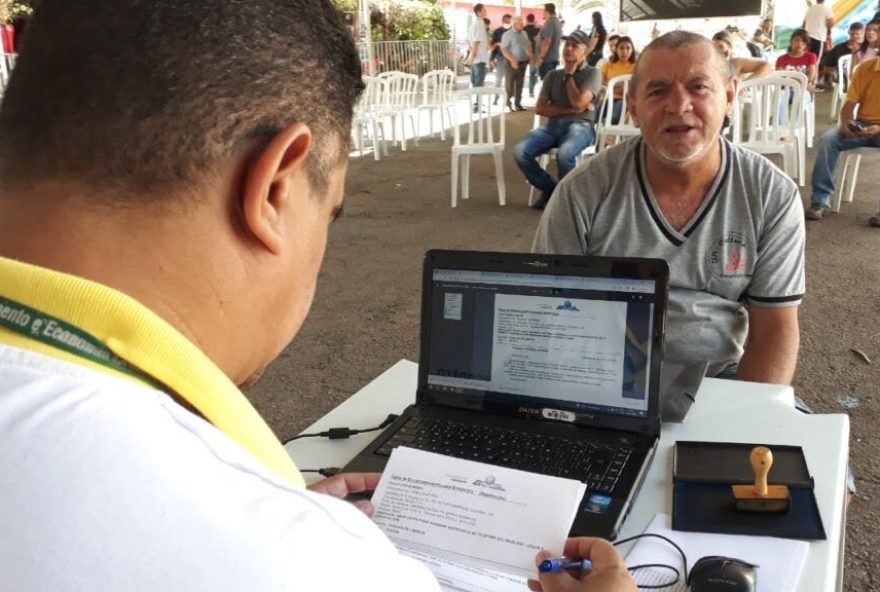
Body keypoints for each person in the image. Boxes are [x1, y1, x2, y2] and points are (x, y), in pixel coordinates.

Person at [0, 2, 640, 592]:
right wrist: (303, 529)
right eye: (328, 214)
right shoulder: (293, 561)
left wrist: (292, 506)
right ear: (275, 188)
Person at [533, 31, 805, 384]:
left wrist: (750, 420)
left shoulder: (771, 194)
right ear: (632, 108)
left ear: (729, 95)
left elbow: (774, 329)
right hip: (605, 379)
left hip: (721, 379)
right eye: (658, 91)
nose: (678, 105)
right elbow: (553, 314)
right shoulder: (581, 192)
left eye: (698, 87)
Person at [513, 29, 601, 211]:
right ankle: (553, 189)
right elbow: (541, 108)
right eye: (566, 44)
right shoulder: (552, 75)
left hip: (581, 126)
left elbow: (578, 103)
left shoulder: (593, 73)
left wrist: (569, 75)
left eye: (574, 45)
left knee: (565, 154)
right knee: (520, 152)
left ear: (584, 51)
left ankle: (568, 202)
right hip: (553, 126)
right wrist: (571, 109)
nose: (568, 48)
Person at [805, 55, 880, 226]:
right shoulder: (865, 69)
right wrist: (847, 123)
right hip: (863, 125)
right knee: (828, 139)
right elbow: (849, 105)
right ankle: (820, 199)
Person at [599, 35, 636, 125]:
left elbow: (629, 88)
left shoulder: (635, 66)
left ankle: (605, 130)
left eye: (628, 48)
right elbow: (601, 82)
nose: (625, 51)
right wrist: (619, 85)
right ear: (617, 49)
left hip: (623, 100)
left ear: (632, 50)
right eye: (621, 48)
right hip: (606, 98)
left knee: (614, 117)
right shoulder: (608, 65)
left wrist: (611, 84)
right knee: (594, 114)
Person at [501, 16, 533, 111]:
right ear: (514, 24)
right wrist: (512, 60)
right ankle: (508, 103)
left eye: (522, 22)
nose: (523, 24)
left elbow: (528, 45)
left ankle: (518, 104)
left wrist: (530, 54)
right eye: (521, 23)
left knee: (520, 84)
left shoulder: (524, 33)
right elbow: (504, 49)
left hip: (523, 62)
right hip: (511, 63)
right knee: (510, 85)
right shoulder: (507, 34)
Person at [819, 21, 864, 88]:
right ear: (849, 32)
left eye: (858, 34)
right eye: (853, 34)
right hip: (843, 77)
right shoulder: (839, 48)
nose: (855, 37)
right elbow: (827, 67)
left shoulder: (867, 49)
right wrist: (837, 69)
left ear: (863, 34)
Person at [776, 28, 819, 95]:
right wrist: (797, 82)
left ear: (806, 44)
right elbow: (779, 77)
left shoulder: (811, 56)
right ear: (791, 42)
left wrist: (793, 81)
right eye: (797, 40)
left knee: (804, 93)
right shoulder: (781, 58)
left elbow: (810, 77)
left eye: (803, 41)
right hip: (785, 90)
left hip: (803, 89)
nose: (799, 43)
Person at [467, 3, 490, 112]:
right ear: (479, 12)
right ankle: (477, 105)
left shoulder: (472, 24)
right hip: (480, 58)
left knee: (475, 81)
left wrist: (471, 54)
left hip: (476, 58)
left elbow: (469, 41)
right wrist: (472, 55)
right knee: (479, 83)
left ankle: (475, 104)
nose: (486, 11)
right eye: (484, 10)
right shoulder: (480, 24)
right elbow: (476, 41)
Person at [491, 14, 513, 105]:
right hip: (500, 58)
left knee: (509, 81)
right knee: (498, 79)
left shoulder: (513, 32)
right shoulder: (497, 31)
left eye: (509, 21)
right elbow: (493, 46)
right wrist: (492, 59)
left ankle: (508, 99)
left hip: (511, 58)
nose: (507, 23)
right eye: (506, 21)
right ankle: (496, 97)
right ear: (502, 21)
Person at [536, 2, 562, 79]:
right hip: (552, 58)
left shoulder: (550, 23)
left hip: (547, 60)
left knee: (546, 83)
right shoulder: (556, 21)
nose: (543, 13)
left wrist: (541, 57)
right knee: (549, 83)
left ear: (547, 11)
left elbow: (547, 41)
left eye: (543, 11)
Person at [525, 12, 541, 97]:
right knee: (533, 73)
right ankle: (531, 91)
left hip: (524, 53)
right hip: (535, 53)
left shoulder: (523, 29)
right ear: (533, 19)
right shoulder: (538, 29)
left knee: (522, 72)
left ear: (527, 19)